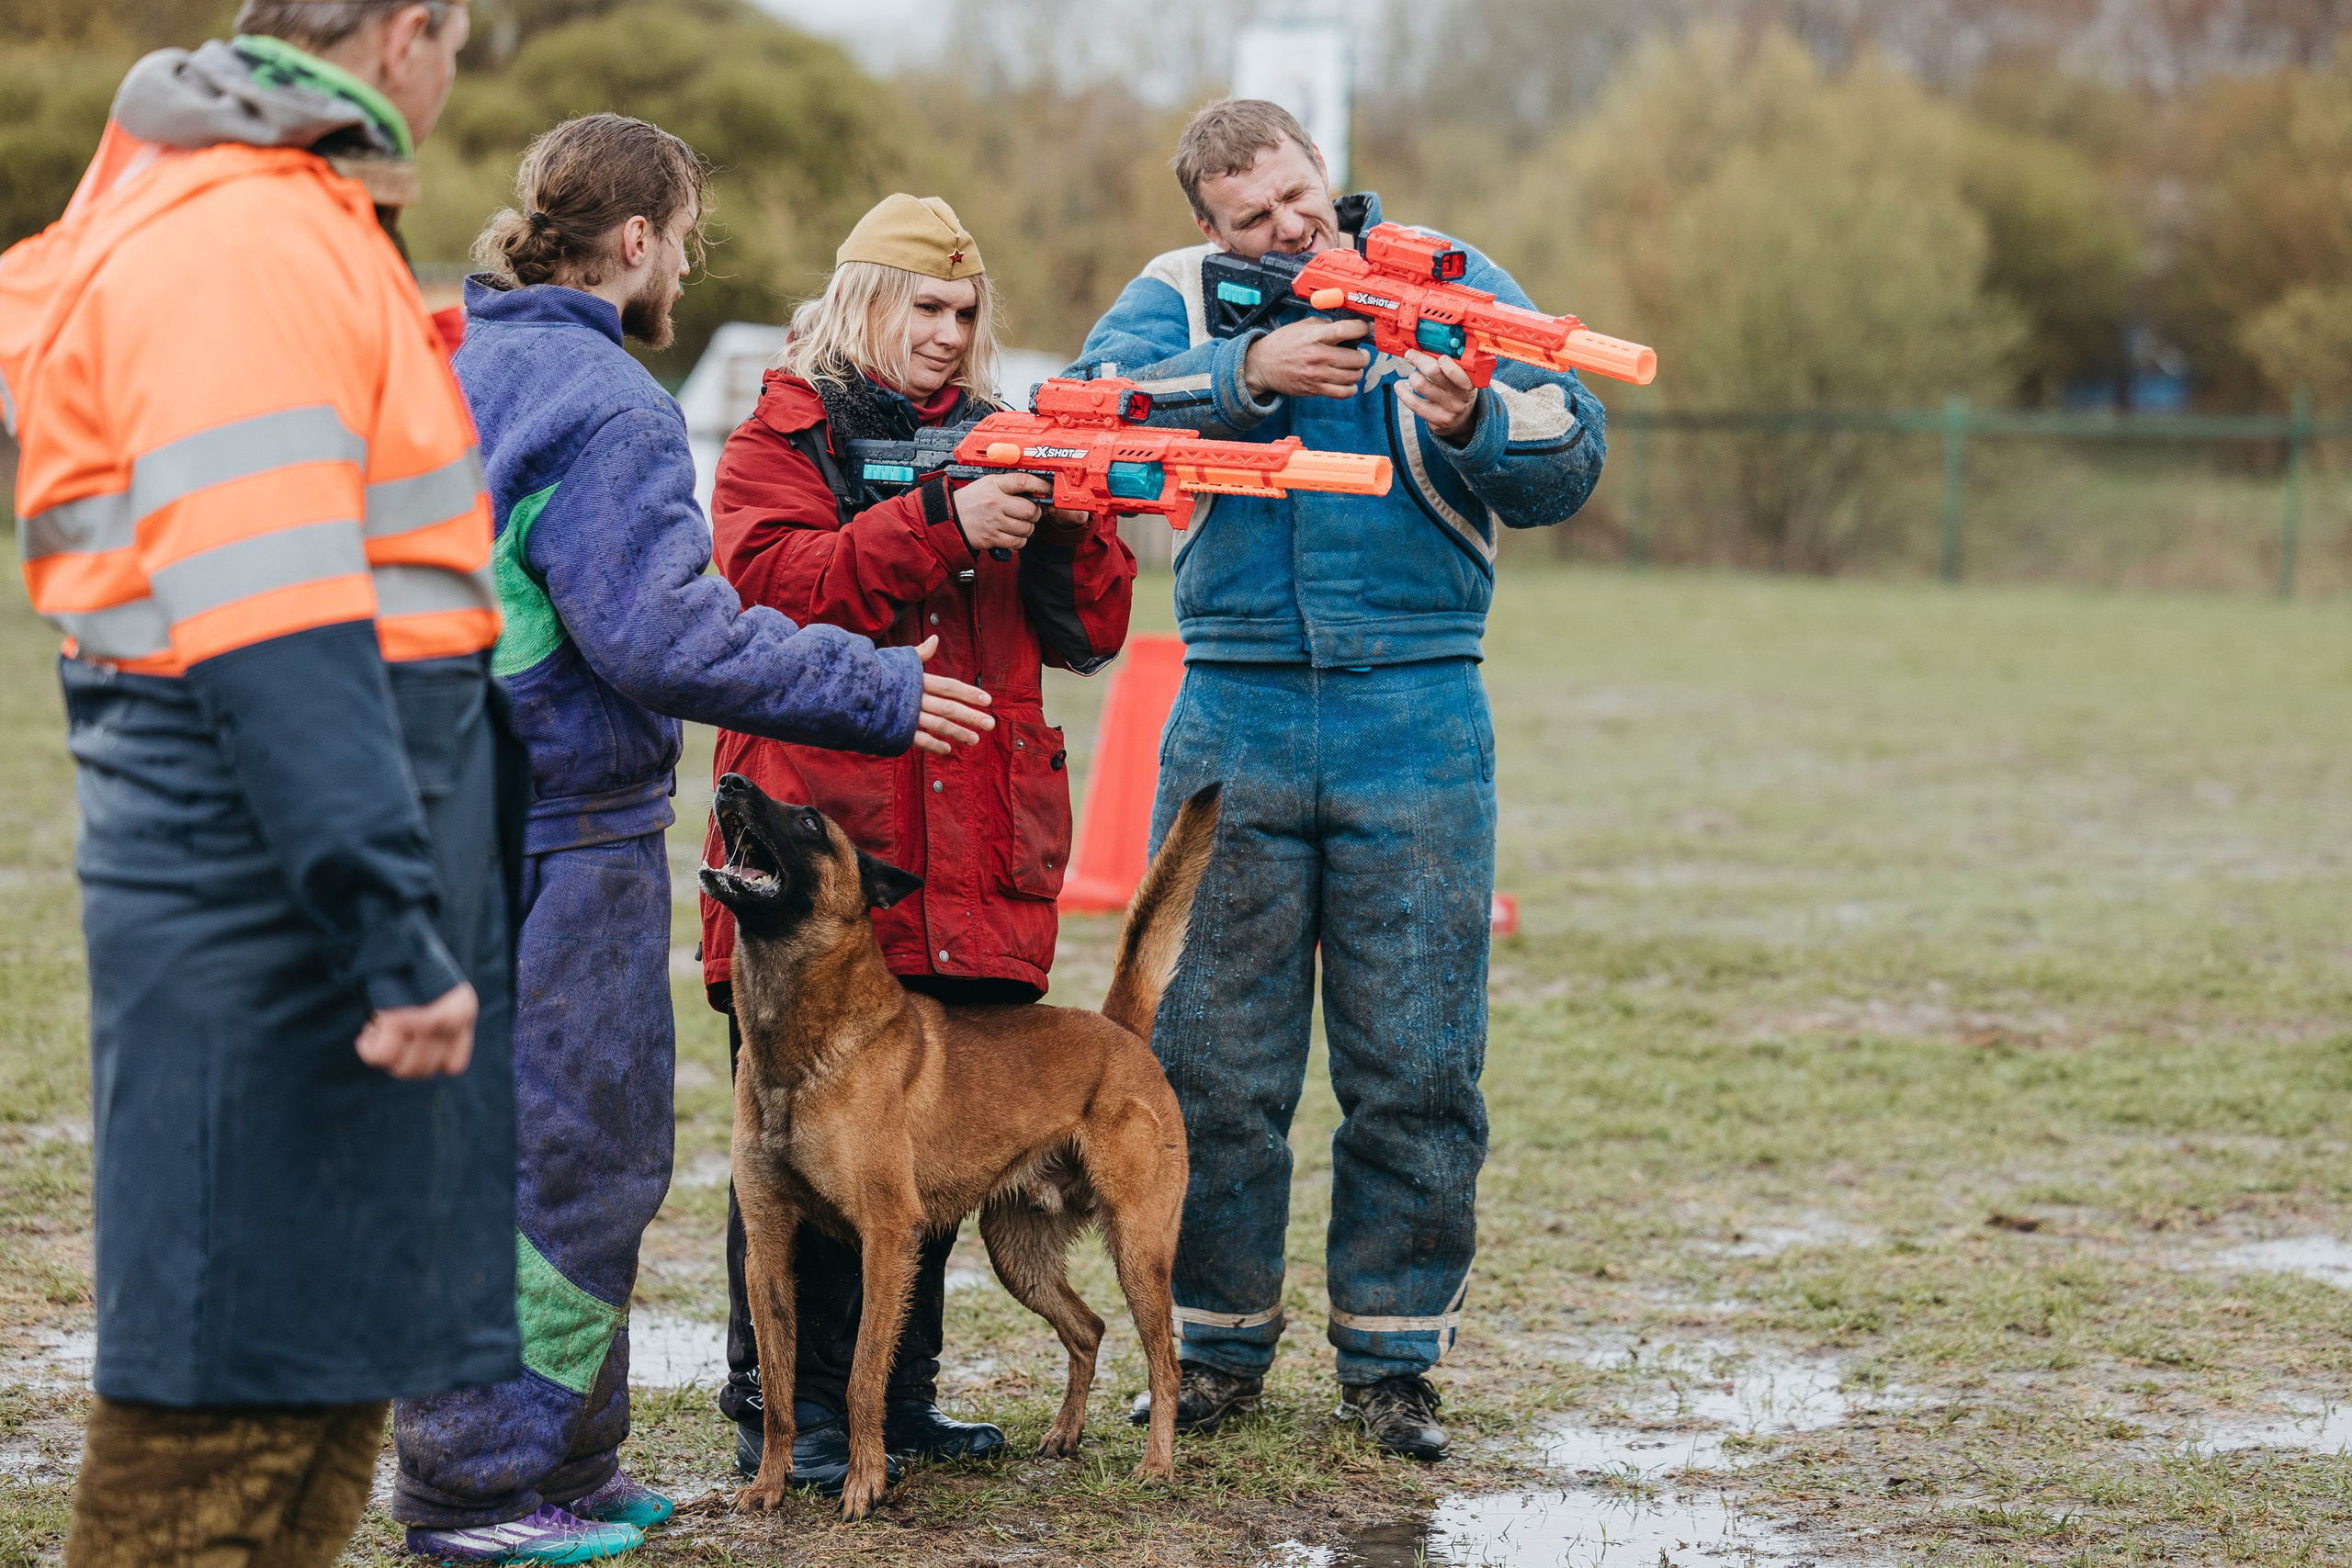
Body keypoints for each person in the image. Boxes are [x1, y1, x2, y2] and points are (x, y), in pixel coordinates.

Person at [387, 125, 995, 1562]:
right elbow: (665, 634)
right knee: (570, 1161)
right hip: (559, 830)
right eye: (690, 232)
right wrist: (882, 690)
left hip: (450, 809)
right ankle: (481, 1489)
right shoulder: (608, 400)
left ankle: (568, 1461)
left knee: (528, 1152)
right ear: (640, 240)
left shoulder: (463, 365)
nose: (691, 260)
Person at [0, 4, 522, 1565]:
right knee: (217, 1427)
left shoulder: (267, 209)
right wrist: (388, 924)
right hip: (272, 903)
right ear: (410, 31)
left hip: (295, 875)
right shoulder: (245, 236)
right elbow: (278, 621)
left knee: (318, 1388)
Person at [1070, 99, 1608, 1461]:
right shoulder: (1175, 297)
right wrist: (1253, 368)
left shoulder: (1446, 273)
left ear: (1328, 170)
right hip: (1232, 702)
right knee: (1207, 1060)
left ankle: (1393, 1363)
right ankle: (1212, 1347)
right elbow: (1087, 425)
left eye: (1298, 197)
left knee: (1419, 1057)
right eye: (1250, 218)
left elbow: (1574, 446)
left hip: (1419, 707)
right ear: (1207, 226)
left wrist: (1481, 415)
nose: (1286, 227)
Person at [696, 193, 1137, 1492]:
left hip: (977, 847)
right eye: (923, 307)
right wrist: (943, 523)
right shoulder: (777, 439)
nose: (947, 333)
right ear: (861, 304)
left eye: (965, 311)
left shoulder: (1007, 439)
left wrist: (1071, 520)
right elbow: (773, 593)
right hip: (828, 864)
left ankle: (899, 1399)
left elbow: (1091, 634)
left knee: (928, 1156)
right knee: (792, 1152)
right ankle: (783, 1413)